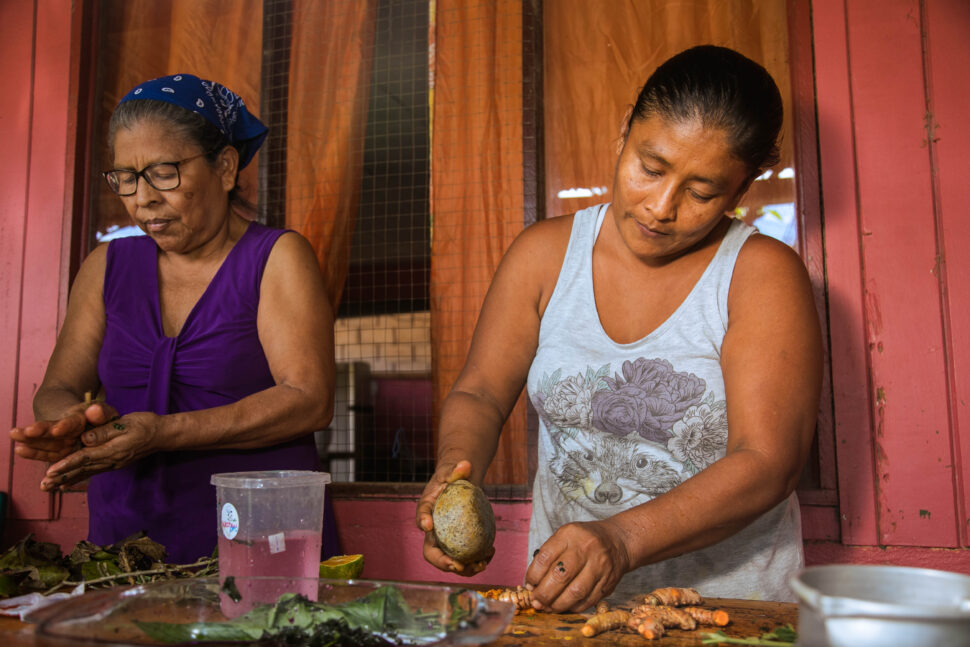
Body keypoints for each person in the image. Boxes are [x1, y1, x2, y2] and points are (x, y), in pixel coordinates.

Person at [416, 46, 822, 610]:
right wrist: (454, 475)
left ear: (743, 188)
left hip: (730, 611)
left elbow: (766, 463)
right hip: (568, 604)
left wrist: (621, 540)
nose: (661, 206)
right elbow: (481, 391)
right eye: (650, 168)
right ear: (623, 134)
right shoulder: (544, 256)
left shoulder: (760, 276)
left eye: (701, 192)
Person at [9, 74, 337, 564]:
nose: (143, 198)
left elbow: (308, 400)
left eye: (164, 172)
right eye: (126, 177)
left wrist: (160, 432)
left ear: (225, 167)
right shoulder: (107, 266)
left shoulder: (276, 257)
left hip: (261, 550)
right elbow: (56, 388)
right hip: (124, 550)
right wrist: (73, 425)